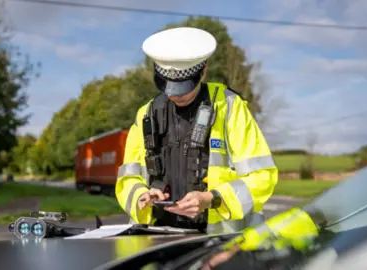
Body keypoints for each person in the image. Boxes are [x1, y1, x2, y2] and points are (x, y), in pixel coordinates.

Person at [115, 26, 278, 234]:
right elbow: (128, 178)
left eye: (184, 86)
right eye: (168, 86)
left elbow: (262, 175)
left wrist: (213, 199)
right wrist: (140, 196)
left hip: (217, 245)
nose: (176, 95)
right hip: (156, 238)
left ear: (204, 69)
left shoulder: (229, 106)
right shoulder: (146, 114)